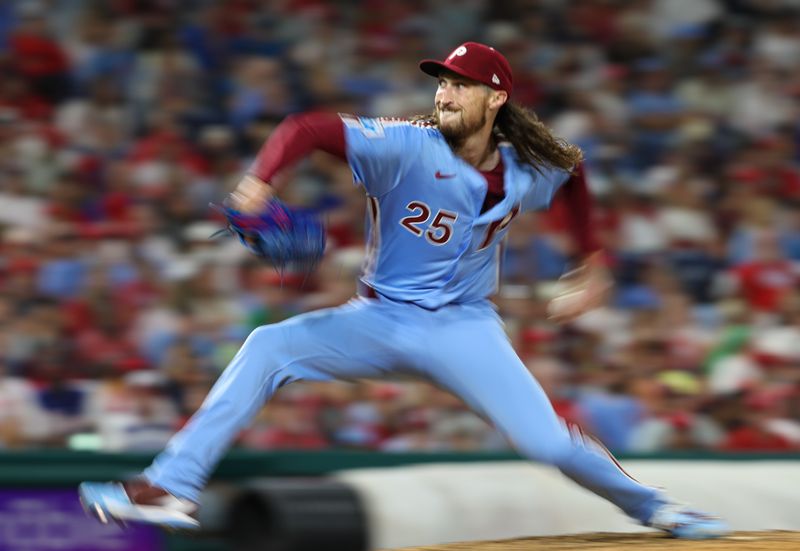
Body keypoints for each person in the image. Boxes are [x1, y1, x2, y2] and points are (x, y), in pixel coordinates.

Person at [79, 42, 728, 539]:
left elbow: (573, 172)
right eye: (442, 82)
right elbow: (307, 128)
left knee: (550, 444)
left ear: (494, 100)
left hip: (465, 328)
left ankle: (659, 507)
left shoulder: (526, 167)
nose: (445, 94)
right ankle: (170, 486)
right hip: (380, 318)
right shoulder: (405, 147)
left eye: (460, 85)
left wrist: (591, 261)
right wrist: (260, 181)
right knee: (266, 346)